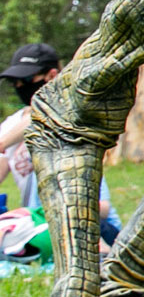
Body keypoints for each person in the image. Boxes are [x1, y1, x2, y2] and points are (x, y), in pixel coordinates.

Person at [0, 43, 120, 255]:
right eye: (14, 81)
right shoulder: (11, 125)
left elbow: (102, 208)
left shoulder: (72, 121)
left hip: (92, 227)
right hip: (38, 223)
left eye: (26, 80)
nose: (19, 85)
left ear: (52, 75)